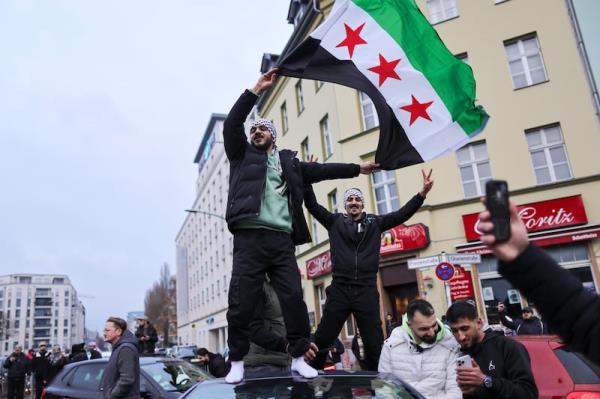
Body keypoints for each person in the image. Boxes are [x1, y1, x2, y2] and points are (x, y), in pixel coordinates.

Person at [222, 68, 378, 383]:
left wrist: (357, 169)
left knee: (293, 297)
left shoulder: (288, 163)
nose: (257, 132)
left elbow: (321, 171)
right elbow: (231, 123)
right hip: (250, 238)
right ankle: (236, 360)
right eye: (255, 129)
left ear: (274, 136)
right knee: (242, 299)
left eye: (264, 128)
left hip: (281, 240)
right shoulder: (241, 156)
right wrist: (255, 90)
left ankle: (297, 357)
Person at [305, 169, 433, 370]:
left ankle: (378, 384)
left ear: (362, 204)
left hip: (365, 289)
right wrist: (308, 178)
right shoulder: (335, 221)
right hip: (340, 288)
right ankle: (311, 377)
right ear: (345, 205)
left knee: (374, 342)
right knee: (323, 338)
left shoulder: (375, 222)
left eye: (357, 199)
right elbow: (312, 206)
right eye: (350, 200)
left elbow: (401, 214)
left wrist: (421, 194)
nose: (354, 202)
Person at [478, 198, 600, 364]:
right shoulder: (519, 324)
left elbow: (581, 321)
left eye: (527, 312)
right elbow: (584, 321)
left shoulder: (541, 324)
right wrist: (522, 257)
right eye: (525, 312)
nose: (526, 314)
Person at [446, 301, 537, 398]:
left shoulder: (507, 347)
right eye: (455, 331)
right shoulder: (459, 355)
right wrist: (468, 392)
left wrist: (486, 381)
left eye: (465, 328)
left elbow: (528, 394)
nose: (461, 337)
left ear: (479, 323)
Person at [378, 299, 461, 398]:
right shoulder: (391, 345)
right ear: (409, 325)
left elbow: (455, 390)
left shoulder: (450, 343)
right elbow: (382, 389)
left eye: (434, 325)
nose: (431, 332)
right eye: (424, 329)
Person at [100, 316, 140, 399]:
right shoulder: (119, 348)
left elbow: (127, 379)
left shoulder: (125, 349)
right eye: (104, 330)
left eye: (107, 330)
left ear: (118, 331)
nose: (104, 333)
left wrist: (111, 396)